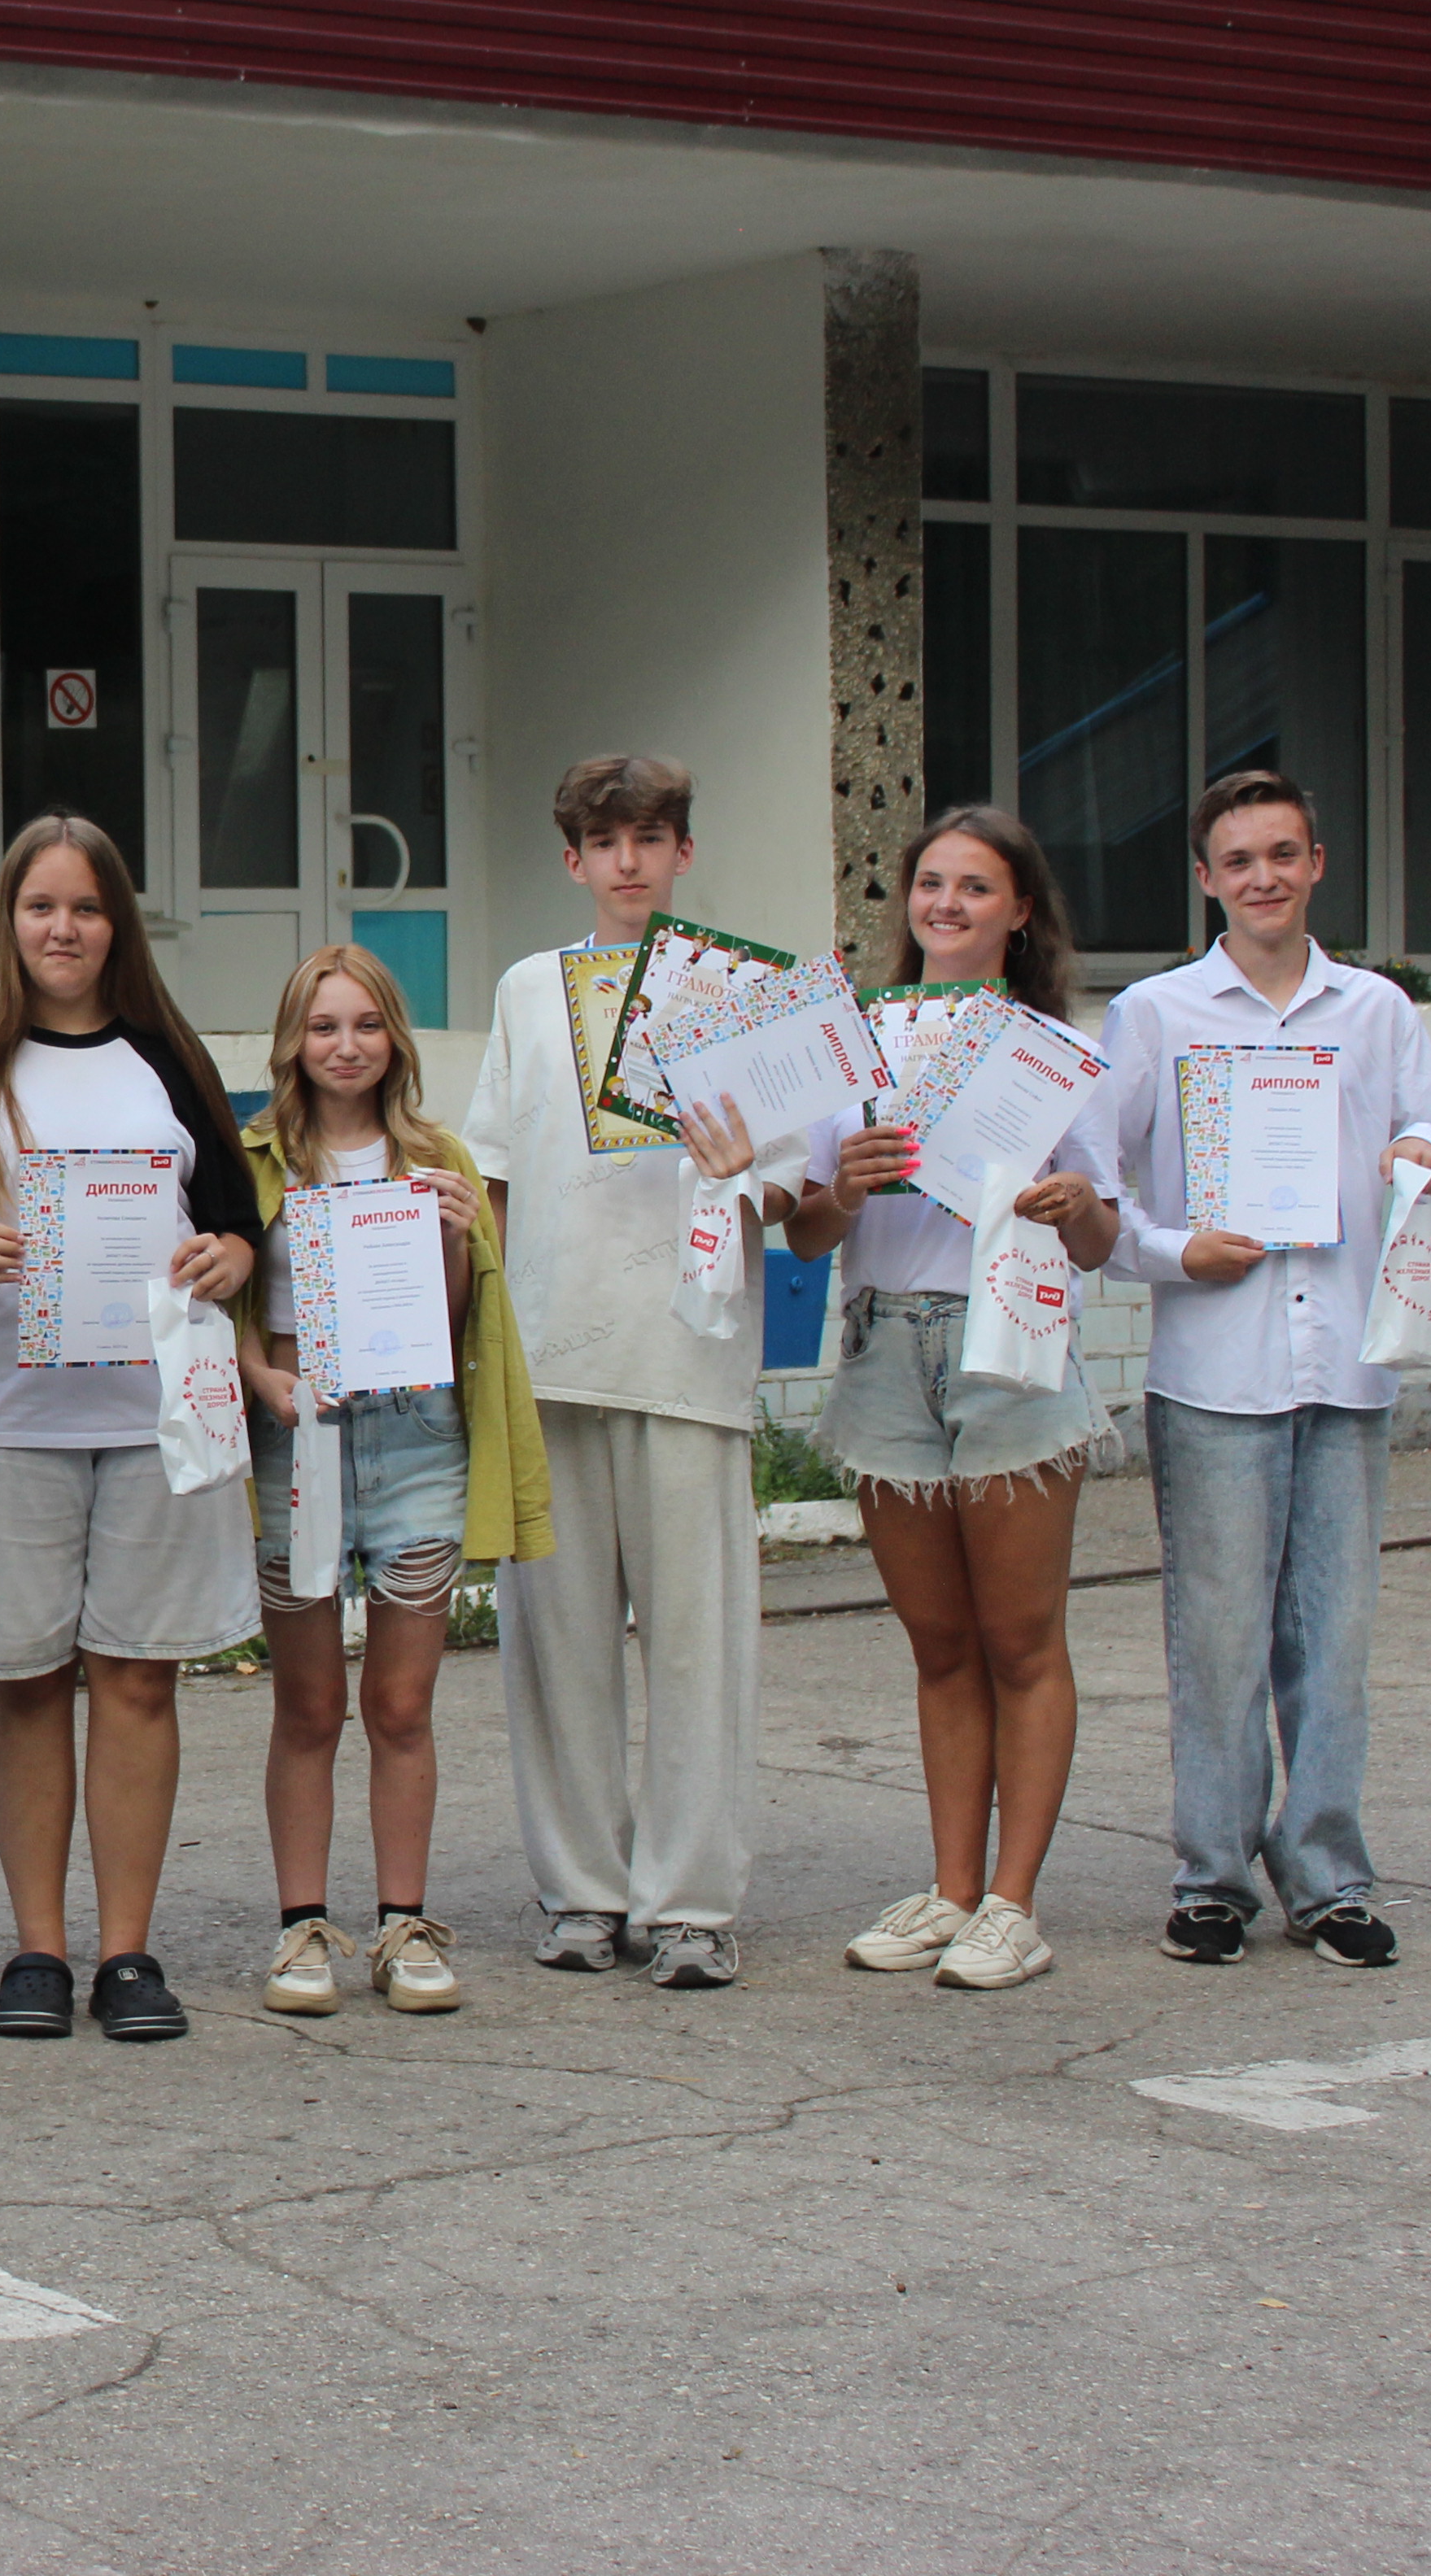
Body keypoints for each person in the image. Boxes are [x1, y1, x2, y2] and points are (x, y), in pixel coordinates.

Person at [0, 815, 262, 2043]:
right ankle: (39, 1950)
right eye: (41, 906)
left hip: (154, 1420)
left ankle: (129, 1954)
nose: (63, 929)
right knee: (27, 1681)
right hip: (11, 1420)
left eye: (87, 908)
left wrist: (226, 1257)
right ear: (9, 921)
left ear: (118, 925)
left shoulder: (169, 1058)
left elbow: (238, 1222)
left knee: (139, 1679)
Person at [1094, 768, 1431, 1972]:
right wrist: (1176, 1251)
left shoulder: (1376, 1011)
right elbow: (1094, 1187)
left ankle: (1327, 1878)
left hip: (1347, 1365)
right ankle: (1211, 1879)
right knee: (1216, 1644)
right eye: (1239, 860)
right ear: (1207, 879)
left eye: (1282, 855)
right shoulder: (1154, 1014)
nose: (1263, 877)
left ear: (1316, 865)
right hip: (1215, 1370)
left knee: (1334, 1642)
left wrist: (1427, 1151)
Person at [782, 810, 1119, 1991]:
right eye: (931, 882)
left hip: (1007, 1344)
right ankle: (952, 1889)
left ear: (1019, 912)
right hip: (886, 1348)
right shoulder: (857, 1044)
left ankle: (1013, 1904)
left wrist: (1075, 1205)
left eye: (976, 887)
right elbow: (808, 1234)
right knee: (938, 1644)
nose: (947, 904)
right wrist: (842, 1188)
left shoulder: (1054, 1052)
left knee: (1020, 1640)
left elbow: (1101, 1240)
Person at [462, 755, 767, 1989]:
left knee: (697, 1648)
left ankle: (690, 1902)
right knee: (559, 1648)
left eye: (649, 838)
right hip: (550, 1356)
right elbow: (489, 1174)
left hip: (689, 1353)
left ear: (684, 852)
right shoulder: (528, 990)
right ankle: (582, 1888)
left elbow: (798, 1188)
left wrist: (752, 1165)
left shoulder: (743, 991)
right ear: (573, 859)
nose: (628, 861)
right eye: (605, 841)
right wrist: (475, 1341)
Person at [231, 943, 551, 2020]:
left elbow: (458, 1323)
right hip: (300, 1438)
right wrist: (261, 1378)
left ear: (395, 1040)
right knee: (311, 1703)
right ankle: (302, 1928)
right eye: (324, 1026)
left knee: (403, 1704)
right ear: (293, 1042)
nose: (346, 1046)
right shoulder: (253, 1160)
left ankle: (404, 1923)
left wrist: (458, 1238)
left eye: (366, 1024)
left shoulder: (437, 1157)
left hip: (416, 1439)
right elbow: (222, 1304)